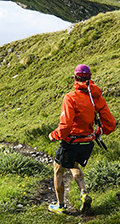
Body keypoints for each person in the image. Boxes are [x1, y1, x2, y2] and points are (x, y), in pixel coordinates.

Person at [48, 64, 116, 214]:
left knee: (58, 171)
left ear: (74, 78)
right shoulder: (97, 98)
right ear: (90, 77)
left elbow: (65, 126)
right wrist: (98, 132)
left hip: (71, 142)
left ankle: (60, 206)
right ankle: (83, 192)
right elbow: (110, 124)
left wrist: (54, 135)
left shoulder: (70, 98)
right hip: (87, 143)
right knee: (74, 165)